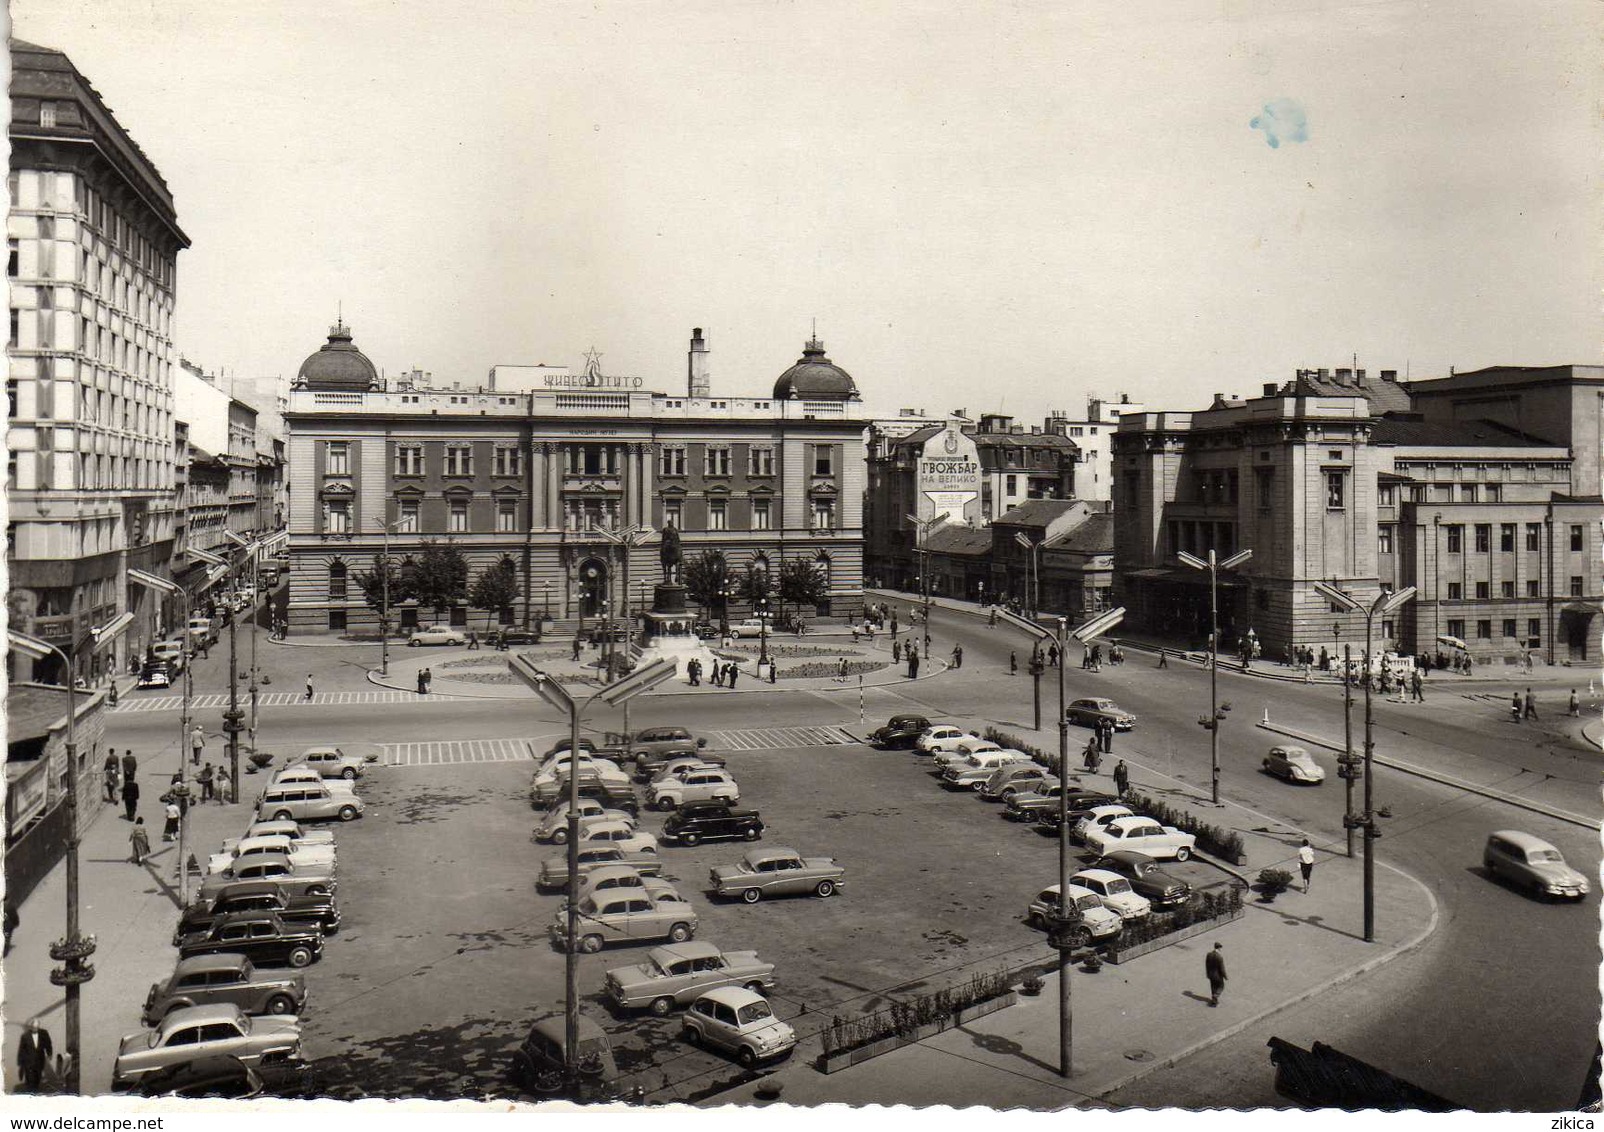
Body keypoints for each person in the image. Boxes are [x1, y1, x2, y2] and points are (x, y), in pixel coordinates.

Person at [17, 1021, 53, 1093]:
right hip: (28, 1062)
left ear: (38, 1027)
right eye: (33, 1027)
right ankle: (30, 1094)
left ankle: (35, 1092)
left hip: (39, 1061)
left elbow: (48, 1044)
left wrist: (49, 1054)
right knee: (30, 1080)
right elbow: (21, 1049)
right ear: (31, 1027)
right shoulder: (25, 1036)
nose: (35, 1029)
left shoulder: (44, 1033)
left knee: (37, 1079)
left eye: (37, 1027)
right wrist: (20, 1063)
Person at [1205, 943, 1227, 1007]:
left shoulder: (1209, 954)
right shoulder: (1219, 957)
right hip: (1218, 975)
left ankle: (1214, 1002)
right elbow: (1222, 968)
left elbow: (1207, 965)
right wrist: (1225, 976)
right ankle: (1215, 996)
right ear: (1219, 948)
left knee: (1213, 987)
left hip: (1211, 974)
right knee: (1221, 986)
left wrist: (1208, 973)